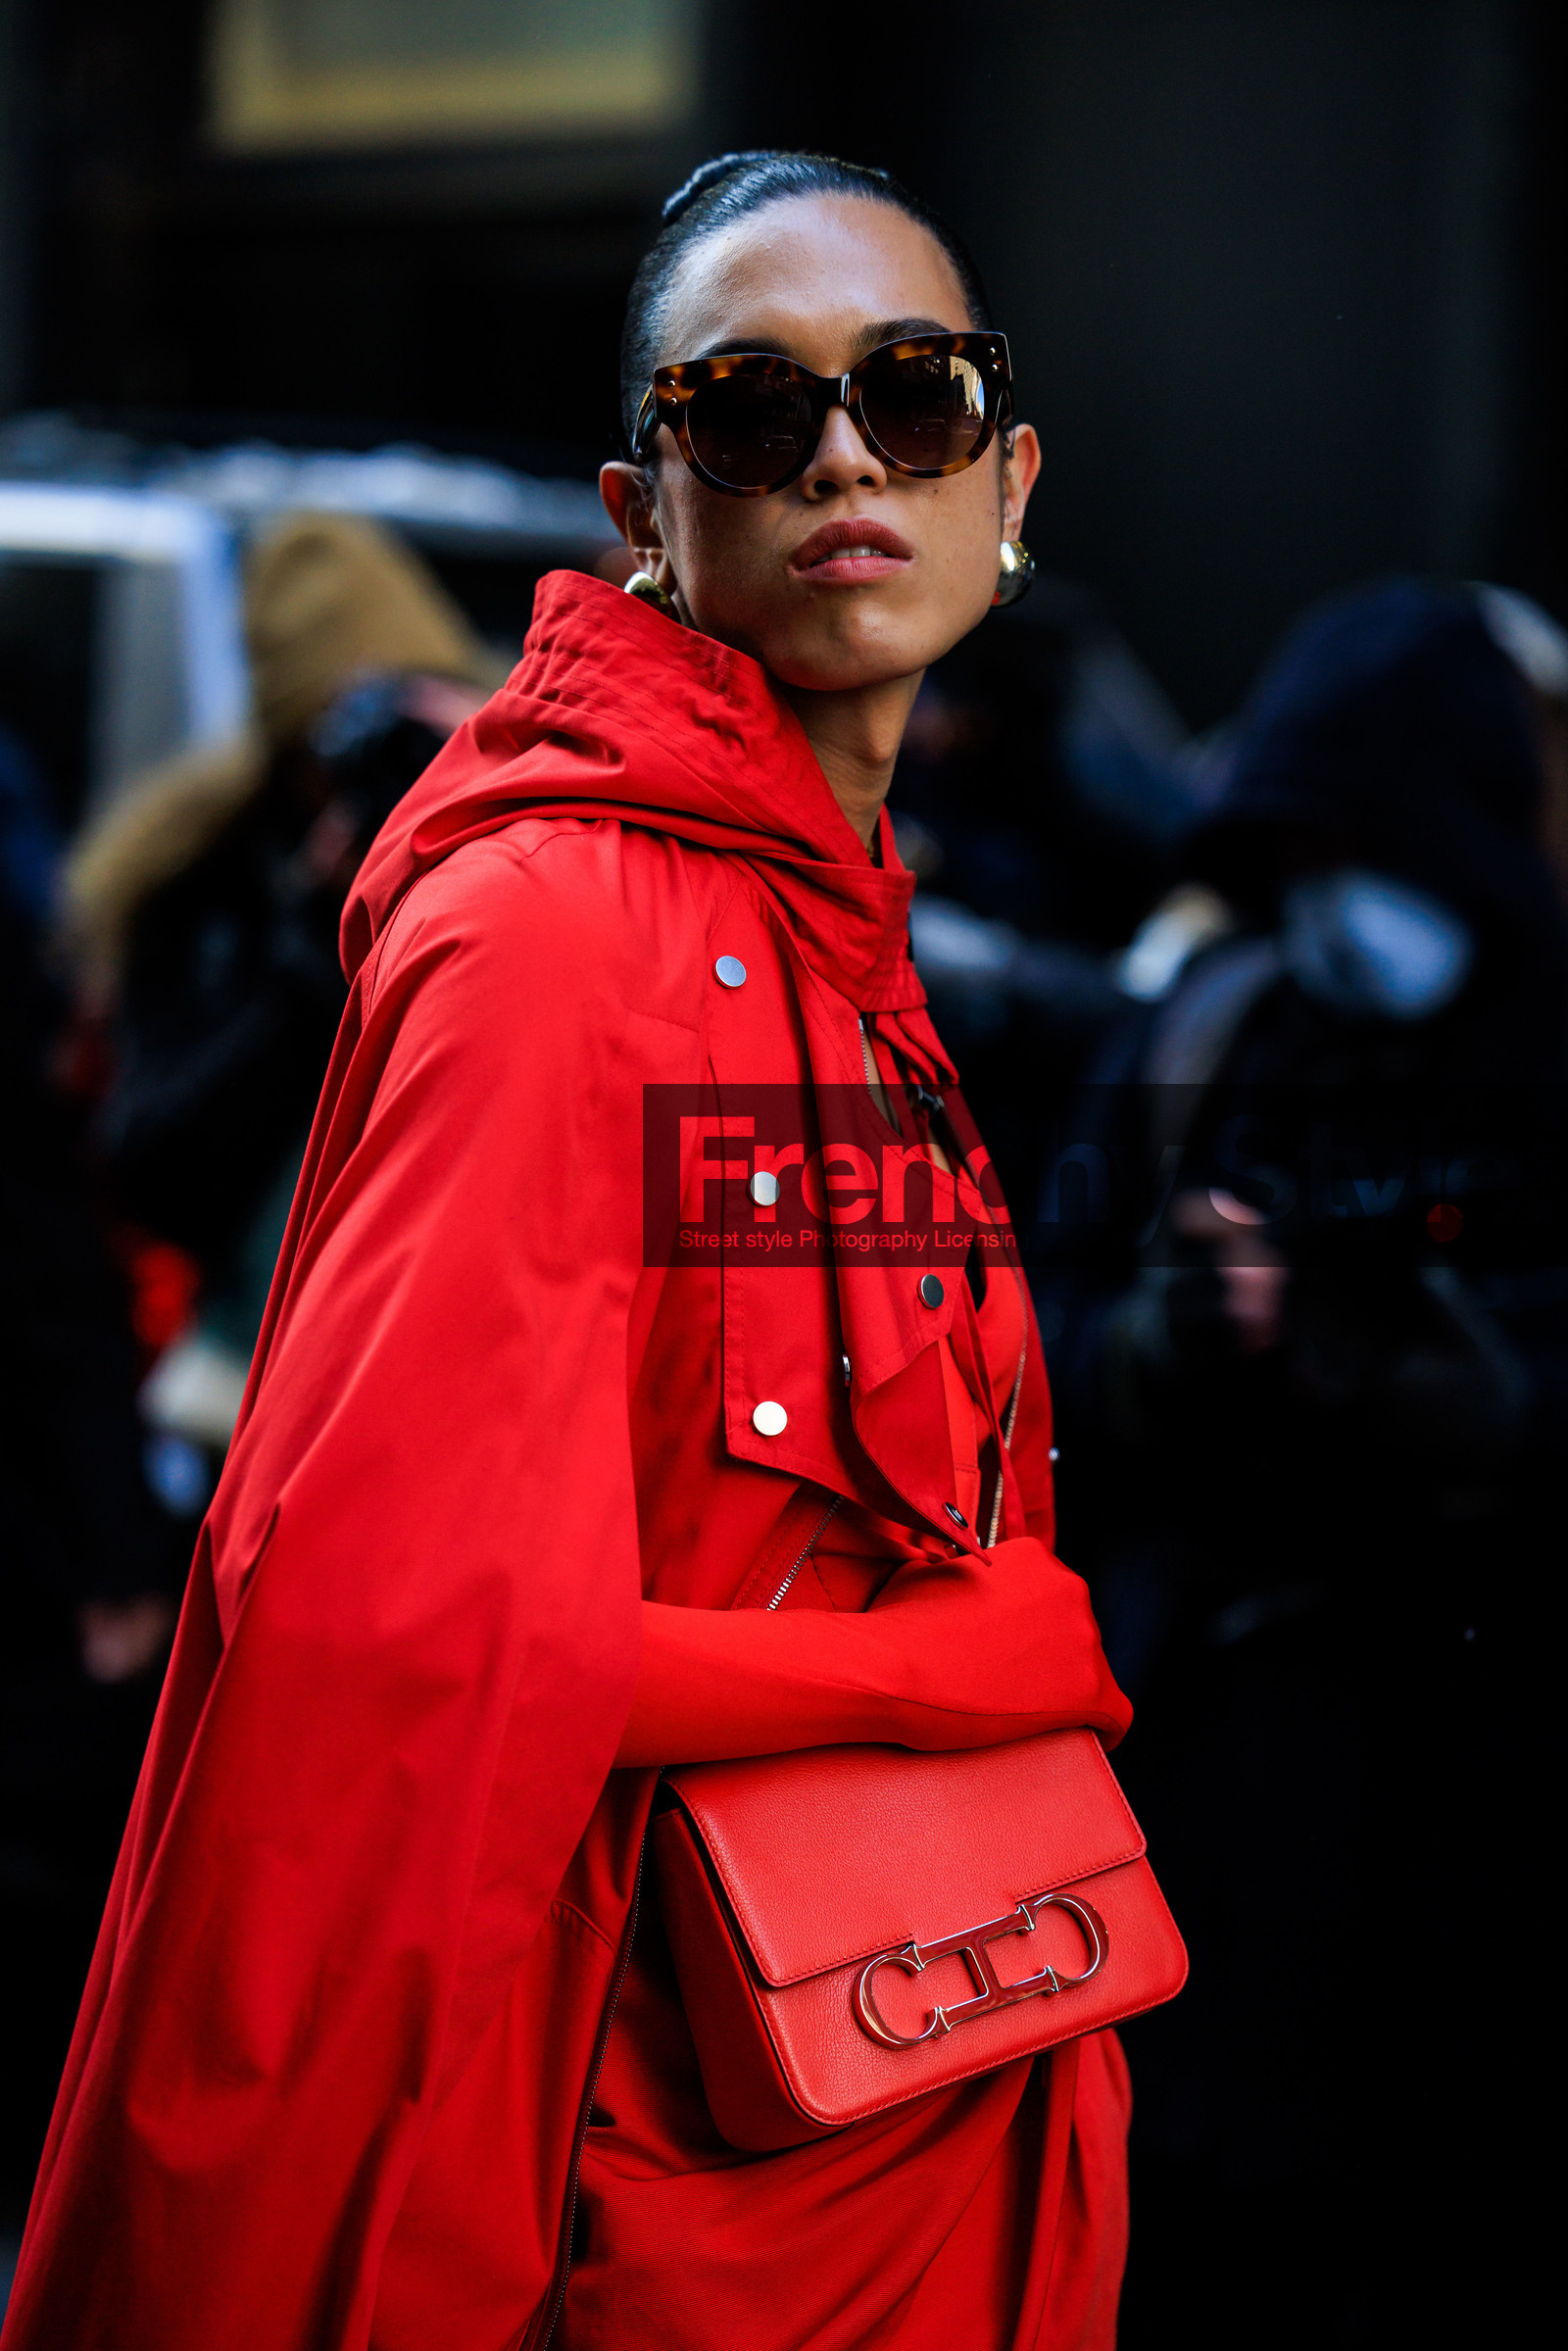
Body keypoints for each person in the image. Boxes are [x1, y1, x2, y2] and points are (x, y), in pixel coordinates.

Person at [3, 153, 1134, 2351]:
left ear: (1005, 480)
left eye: (910, 396)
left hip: (927, 2103)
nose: (835, 453)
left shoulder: (846, 928)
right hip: (670, 2183)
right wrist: (954, 1665)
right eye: (747, 408)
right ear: (645, 503)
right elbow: (384, 1649)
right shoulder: (549, 929)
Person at [1038, 577, 1568, 2345]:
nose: (1351, 893)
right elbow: (1025, 1347)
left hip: (1463, 1810)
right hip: (1191, 1774)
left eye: (1388, 840)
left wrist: (1383, 1347)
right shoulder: (1209, 1034)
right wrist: (1174, 1340)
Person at [62, 514, 495, 1455]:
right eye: (343, 747)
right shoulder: (210, 889)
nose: (387, 784)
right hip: (264, 1398)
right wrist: (314, 948)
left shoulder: (542, 835)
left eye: (409, 742)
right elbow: (152, 1170)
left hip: (476, 1390)